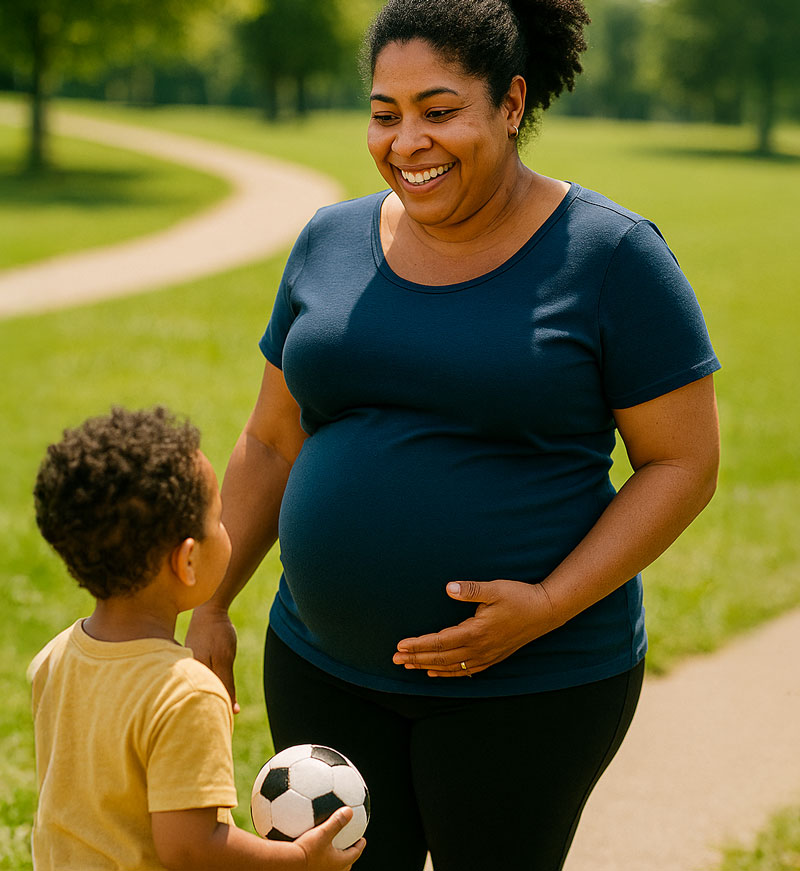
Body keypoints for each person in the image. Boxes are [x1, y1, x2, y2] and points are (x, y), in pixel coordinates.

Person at [186, 0, 721, 868]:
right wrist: (210, 603)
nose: (406, 142)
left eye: (439, 112)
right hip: (321, 668)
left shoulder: (613, 256)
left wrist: (544, 606)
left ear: (511, 104)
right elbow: (273, 441)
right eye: (384, 113)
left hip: (530, 684)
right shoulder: (328, 240)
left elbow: (683, 463)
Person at [29, 406, 365, 871]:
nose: (226, 531)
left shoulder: (55, 655)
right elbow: (190, 847)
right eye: (218, 519)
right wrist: (299, 858)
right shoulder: (185, 693)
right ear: (187, 561)